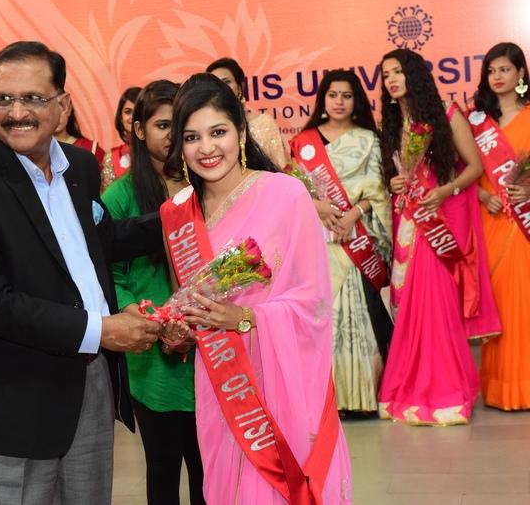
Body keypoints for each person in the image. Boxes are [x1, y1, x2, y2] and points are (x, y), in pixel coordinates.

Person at [0, 41, 164, 505]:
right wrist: (103, 331)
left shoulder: (79, 166)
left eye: (33, 98)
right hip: (12, 403)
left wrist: (189, 214)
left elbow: (99, 240)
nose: (17, 113)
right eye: (4, 99)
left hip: (89, 385)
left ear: (63, 104)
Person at [160, 73, 352, 504]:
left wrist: (245, 317)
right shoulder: (178, 215)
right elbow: (187, 304)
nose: (206, 148)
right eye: (192, 137)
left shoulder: (286, 195)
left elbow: (314, 304)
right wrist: (177, 331)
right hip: (223, 385)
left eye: (218, 132)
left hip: (281, 383)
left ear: (242, 133)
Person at [377, 49, 501, 425]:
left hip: (439, 221)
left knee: (436, 304)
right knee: (410, 308)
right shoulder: (393, 123)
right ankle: (412, 388)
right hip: (408, 222)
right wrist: (395, 183)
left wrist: (445, 190)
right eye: (386, 75)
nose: (392, 80)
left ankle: (445, 390)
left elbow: (474, 167)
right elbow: (394, 177)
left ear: (414, 74)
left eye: (398, 71)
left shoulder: (447, 113)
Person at [102, 80, 205, 505]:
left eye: (179, 124)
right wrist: (145, 319)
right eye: (162, 125)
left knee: (210, 471)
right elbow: (107, 274)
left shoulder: (208, 184)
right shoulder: (120, 195)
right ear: (139, 130)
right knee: (162, 469)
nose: (172, 135)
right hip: (152, 351)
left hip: (211, 344)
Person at [290, 70, 393, 416]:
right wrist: (320, 210)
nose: (339, 102)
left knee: (364, 315)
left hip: (358, 239)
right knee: (324, 316)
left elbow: (378, 190)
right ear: (323, 99)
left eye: (346, 96)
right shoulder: (303, 142)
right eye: (333, 95)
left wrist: (353, 215)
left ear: (356, 100)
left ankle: (365, 396)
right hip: (319, 241)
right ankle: (327, 400)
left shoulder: (370, 139)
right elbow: (295, 191)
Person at [469, 42, 530, 410]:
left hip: (524, 223)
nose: (497, 77)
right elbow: (463, 172)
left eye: (505, 69)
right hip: (490, 221)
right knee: (500, 306)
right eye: (491, 71)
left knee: (524, 301)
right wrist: (481, 195)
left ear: (521, 72)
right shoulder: (477, 122)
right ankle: (498, 387)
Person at [207, 57, 289, 168]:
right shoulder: (207, 129)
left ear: (240, 87)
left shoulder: (264, 123)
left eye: (227, 82)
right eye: (216, 84)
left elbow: (281, 167)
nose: (222, 88)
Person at [102, 86, 141, 188]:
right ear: (120, 117)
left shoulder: (157, 154)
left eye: (137, 111)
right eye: (128, 112)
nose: (133, 116)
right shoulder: (112, 157)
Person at [54, 101, 106, 171]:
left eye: (60, 110)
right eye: (50, 111)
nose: (56, 116)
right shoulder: (39, 151)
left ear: (69, 109)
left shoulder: (92, 149)